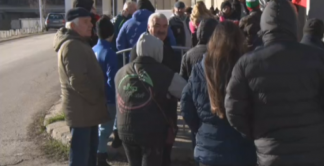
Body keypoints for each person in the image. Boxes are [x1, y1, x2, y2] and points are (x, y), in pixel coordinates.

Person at [225, 0, 324, 166]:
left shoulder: (247, 63)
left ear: (264, 26)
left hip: (272, 155)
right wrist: (322, 127)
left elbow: (233, 109)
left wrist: (257, 133)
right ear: (294, 24)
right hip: (314, 152)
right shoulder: (320, 57)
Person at [181, 21, 257, 166]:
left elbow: (186, 106)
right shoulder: (248, 68)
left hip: (208, 150)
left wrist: (201, 129)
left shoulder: (199, 69)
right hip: (242, 149)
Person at [115, 34, 187, 166]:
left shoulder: (121, 72)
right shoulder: (164, 72)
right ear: (157, 51)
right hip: (151, 131)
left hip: (125, 129)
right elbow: (185, 91)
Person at [54, 7, 109, 166]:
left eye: (91, 21)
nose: (91, 25)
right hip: (82, 112)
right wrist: (97, 97)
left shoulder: (78, 42)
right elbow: (77, 80)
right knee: (81, 157)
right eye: (86, 22)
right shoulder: (72, 45)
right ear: (72, 26)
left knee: (89, 155)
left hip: (87, 111)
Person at [92, 16, 119, 166]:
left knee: (98, 128)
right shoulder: (110, 53)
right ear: (112, 33)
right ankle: (100, 156)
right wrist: (112, 99)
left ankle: (98, 153)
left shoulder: (93, 50)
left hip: (94, 96)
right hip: (107, 97)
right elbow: (112, 79)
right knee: (105, 128)